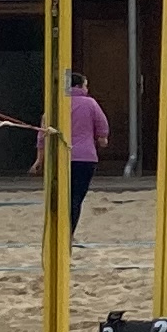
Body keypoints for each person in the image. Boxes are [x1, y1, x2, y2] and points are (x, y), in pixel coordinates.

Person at [51, 69, 108, 237]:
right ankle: (69, 232)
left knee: (60, 196)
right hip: (84, 156)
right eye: (85, 85)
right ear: (79, 86)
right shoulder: (89, 103)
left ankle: (58, 231)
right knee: (76, 197)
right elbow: (102, 124)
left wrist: (40, 157)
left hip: (60, 155)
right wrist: (102, 138)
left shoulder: (57, 102)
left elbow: (44, 128)